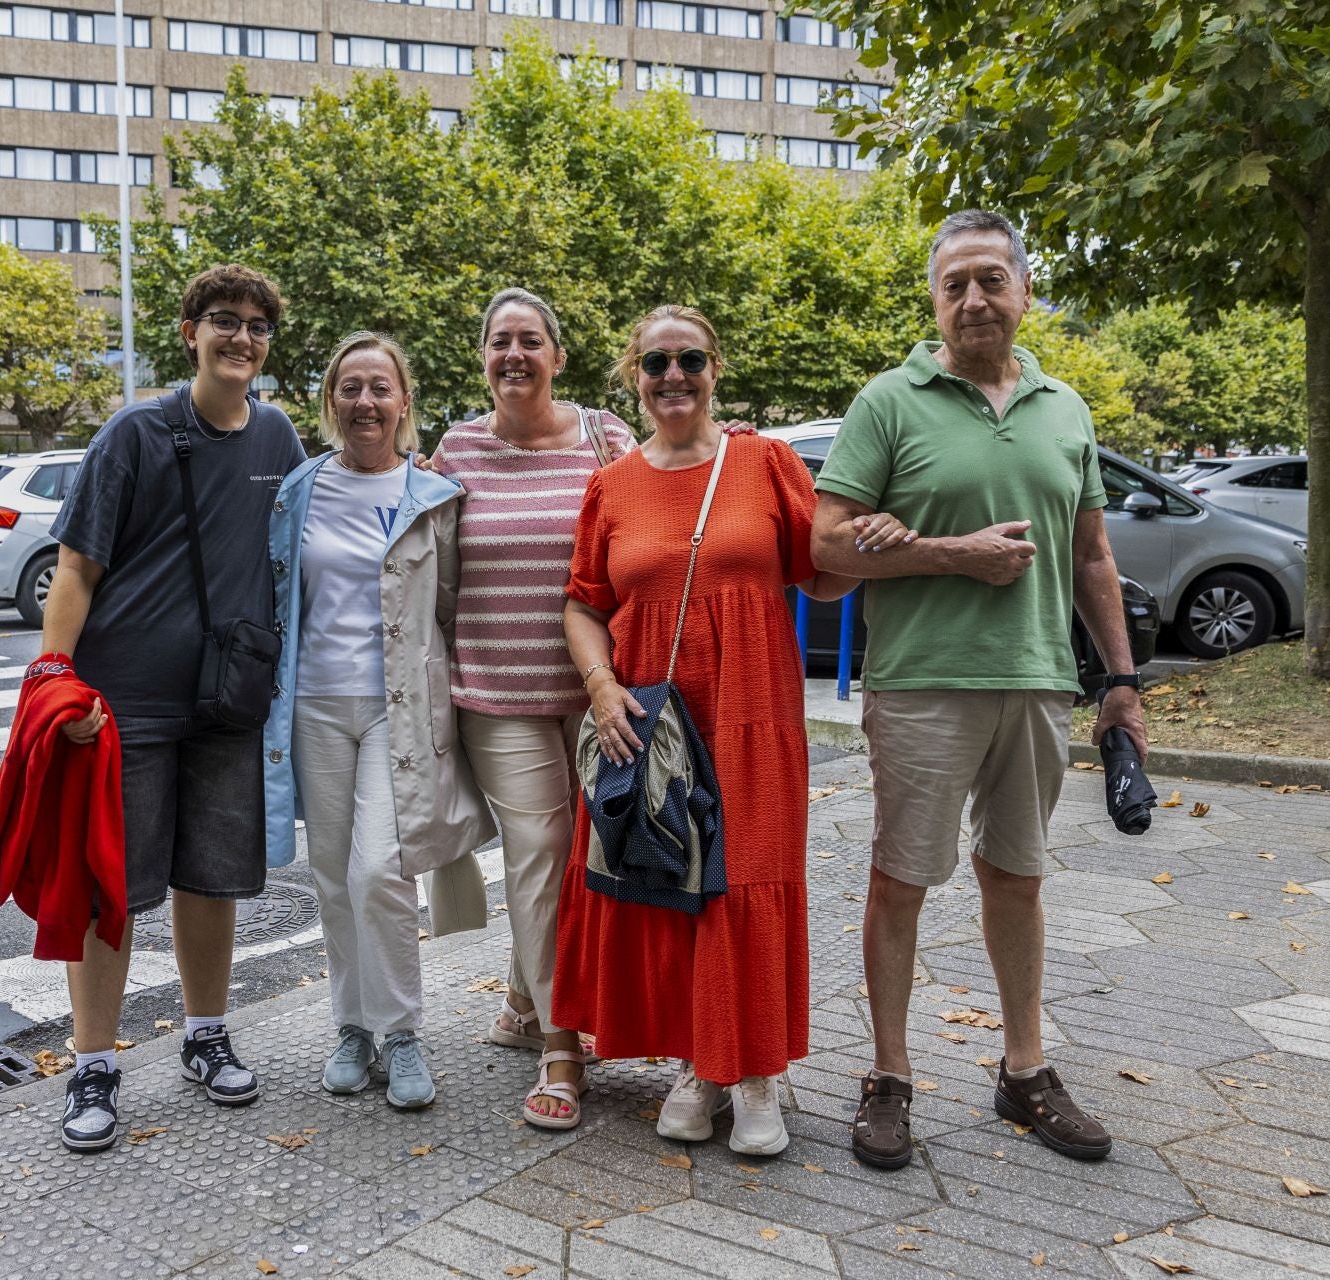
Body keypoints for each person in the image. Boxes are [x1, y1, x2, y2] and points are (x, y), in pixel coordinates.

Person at [809, 210, 1148, 1171]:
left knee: (1019, 879)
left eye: (991, 279)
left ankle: (1024, 1071)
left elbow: (1092, 554)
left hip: (1039, 682)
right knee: (900, 881)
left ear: (1025, 290)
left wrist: (1120, 681)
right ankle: (887, 1075)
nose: (973, 299)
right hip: (921, 685)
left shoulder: (1066, 409)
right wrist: (950, 555)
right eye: (954, 283)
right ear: (934, 300)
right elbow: (827, 546)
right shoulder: (889, 402)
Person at [554, 305, 909, 1156]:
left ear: (715, 370)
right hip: (652, 713)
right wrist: (600, 688)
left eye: (690, 360)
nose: (673, 376)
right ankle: (696, 1062)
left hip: (751, 710)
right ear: (632, 377)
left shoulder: (764, 460)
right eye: (655, 363)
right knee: (672, 880)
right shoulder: (610, 485)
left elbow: (820, 576)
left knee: (746, 877)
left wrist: (879, 539)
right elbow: (582, 602)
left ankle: (751, 1073)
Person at [39, 264, 306, 1152]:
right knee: (108, 890)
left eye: (258, 327)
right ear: (190, 331)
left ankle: (204, 1033)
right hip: (123, 707)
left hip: (229, 700)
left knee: (212, 876)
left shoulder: (277, 437)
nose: (242, 339)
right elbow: (76, 569)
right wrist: (57, 683)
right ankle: (93, 1062)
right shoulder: (136, 433)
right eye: (225, 322)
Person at [262, 331, 497, 1110]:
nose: (365, 402)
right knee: (333, 878)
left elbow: (458, 605)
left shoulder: (432, 496)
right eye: (349, 388)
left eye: (379, 388)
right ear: (332, 401)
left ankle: (401, 1035)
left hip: (399, 712)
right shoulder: (301, 489)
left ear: (404, 402)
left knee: (379, 872)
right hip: (314, 708)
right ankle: (351, 1030)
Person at [428, 288, 637, 1131]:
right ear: (483, 357)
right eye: (498, 342)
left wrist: (727, 446)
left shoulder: (604, 438)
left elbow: (664, 493)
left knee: (588, 850)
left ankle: (521, 999)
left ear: (557, 356)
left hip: (600, 688)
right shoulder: (457, 449)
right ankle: (560, 1045)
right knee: (542, 850)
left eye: (530, 341)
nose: (513, 355)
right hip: (497, 693)